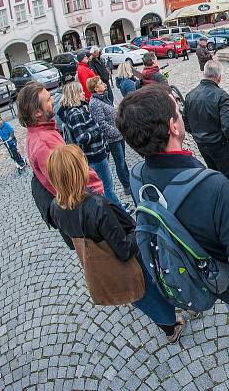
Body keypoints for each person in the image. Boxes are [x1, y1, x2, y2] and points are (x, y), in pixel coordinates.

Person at [116, 84, 229, 356]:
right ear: (173, 127)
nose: (181, 116)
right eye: (178, 112)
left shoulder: (137, 175)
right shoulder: (213, 186)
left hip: (202, 273)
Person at [46, 144, 185, 343]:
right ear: (78, 171)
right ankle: (171, 328)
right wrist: (140, 231)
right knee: (149, 294)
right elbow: (124, 249)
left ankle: (167, 324)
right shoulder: (96, 205)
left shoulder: (55, 207)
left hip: (102, 266)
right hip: (129, 265)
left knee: (139, 296)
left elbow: (70, 241)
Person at [16, 82, 103, 233]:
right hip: (87, 208)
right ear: (37, 112)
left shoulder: (43, 131)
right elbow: (70, 184)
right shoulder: (44, 143)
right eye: (48, 100)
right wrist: (98, 197)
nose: (53, 102)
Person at [183, 60, 229, 199]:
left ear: (204, 74)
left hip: (202, 144)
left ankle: (221, 202)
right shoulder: (221, 95)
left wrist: (196, 135)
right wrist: (228, 138)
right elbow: (228, 126)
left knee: (214, 175)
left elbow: (186, 122)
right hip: (220, 144)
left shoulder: (190, 95)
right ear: (219, 77)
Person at [58, 81, 121, 206]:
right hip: (94, 155)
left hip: (96, 153)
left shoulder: (80, 108)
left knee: (105, 186)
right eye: (80, 91)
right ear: (74, 94)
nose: (83, 93)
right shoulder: (75, 113)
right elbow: (81, 137)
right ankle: (118, 210)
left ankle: (115, 207)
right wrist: (97, 132)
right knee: (106, 186)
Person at [86, 77, 131, 196]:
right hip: (112, 138)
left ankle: (128, 181)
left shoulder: (103, 97)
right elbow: (101, 124)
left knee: (123, 160)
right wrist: (117, 132)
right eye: (101, 83)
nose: (104, 84)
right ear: (96, 88)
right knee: (120, 162)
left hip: (118, 135)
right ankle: (126, 186)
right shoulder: (95, 103)